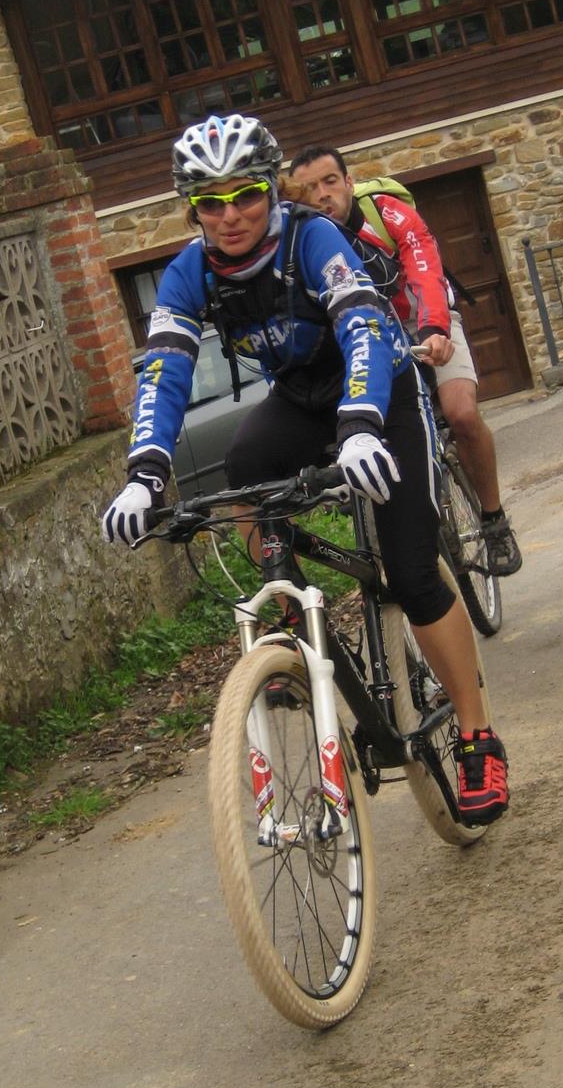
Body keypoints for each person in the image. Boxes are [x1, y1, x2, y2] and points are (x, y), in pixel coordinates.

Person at [101, 113, 509, 824]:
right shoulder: (189, 272)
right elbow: (164, 368)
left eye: (245, 195)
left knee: (413, 574)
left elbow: (361, 325)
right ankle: (289, 606)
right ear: (193, 209)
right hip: (301, 396)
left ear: (270, 190)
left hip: (383, 391)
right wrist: (145, 473)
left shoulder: (311, 236)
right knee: (245, 464)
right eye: (211, 202)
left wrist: (361, 426)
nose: (230, 215)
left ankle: (478, 736)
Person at [287, 144, 522, 577]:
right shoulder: (299, 242)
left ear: (349, 182)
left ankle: (494, 521)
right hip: (366, 338)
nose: (322, 195)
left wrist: (434, 328)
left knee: (461, 413)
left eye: (330, 182)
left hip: (420, 321)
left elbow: (424, 268)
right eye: (309, 189)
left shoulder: (386, 213)